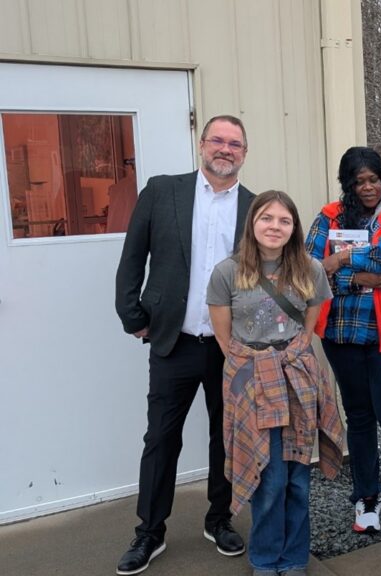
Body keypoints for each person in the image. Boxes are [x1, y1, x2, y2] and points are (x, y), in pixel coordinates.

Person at [114, 115, 254, 575]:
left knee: (225, 439)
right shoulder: (162, 190)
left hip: (229, 346)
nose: (225, 149)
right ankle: (149, 532)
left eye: (234, 143)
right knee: (160, 439)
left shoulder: (254, 208)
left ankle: (219, 520)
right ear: (201, 145)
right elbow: (133, 256)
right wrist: (133, 316)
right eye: (218, 139)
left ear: (244, 153)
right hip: (172, 341)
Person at [207, 190, 345, 576]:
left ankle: (295, 559)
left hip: (297, 378)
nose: (275, 227)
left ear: (294, 228)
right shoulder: (227, 272)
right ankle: (266, 560)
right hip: (252, 380)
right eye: (267, 218)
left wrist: (297, 349)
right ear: (253, 223)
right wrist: (257, 365)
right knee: (269, 478)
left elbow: (311, 319)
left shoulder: (310, 269)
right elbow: (224, 338)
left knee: (299, 476)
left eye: (284, 221)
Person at [305, 146, 381, 535]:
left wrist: (342, 260)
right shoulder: (329, 217)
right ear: (348, 184)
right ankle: (366, 498)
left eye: (373, 179)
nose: (368, 187)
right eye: (359, 182)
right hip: (342, 335)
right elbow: (310, 268)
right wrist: (359, 278)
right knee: (358, 417)